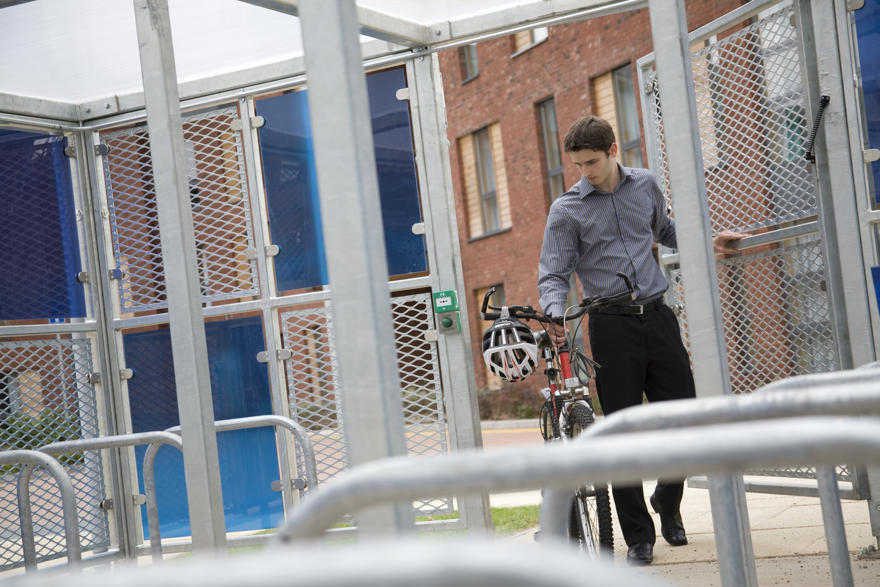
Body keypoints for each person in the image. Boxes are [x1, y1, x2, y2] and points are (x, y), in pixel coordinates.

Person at [537, 115, 746, 566]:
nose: (585, 172)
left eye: (592, 162)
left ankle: (668, 502)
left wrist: (708, 239)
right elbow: (553, 273)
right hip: (610, 327)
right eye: (578, 165)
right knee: (621, 433)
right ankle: (639, 537)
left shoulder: (645, 184)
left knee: (685, 419)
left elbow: (665, 230)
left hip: (657, 316)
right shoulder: (567, 209)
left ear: (613, 150)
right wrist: (554, 312)